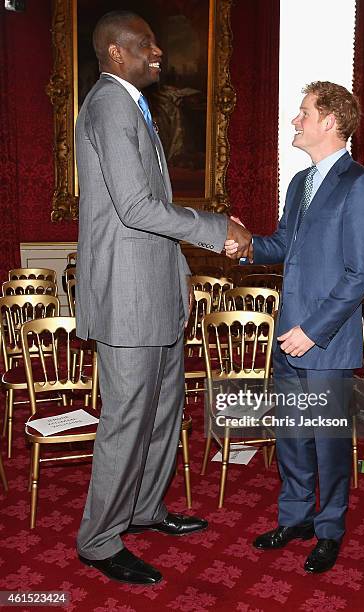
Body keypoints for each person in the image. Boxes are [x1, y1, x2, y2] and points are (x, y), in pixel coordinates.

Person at [75, 10, 250, 585]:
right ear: (114, 53)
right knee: (128, 420)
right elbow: (135, 208)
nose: (158, 53)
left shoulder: (132, 106)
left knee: (161, 414)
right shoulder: (107, 104)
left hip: (155, 292)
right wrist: (217, 226)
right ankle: (100, 540)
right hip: (127, 298)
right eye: (146, 45)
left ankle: (145, 510)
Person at [226, 81, 364, 573]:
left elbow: (362, 273)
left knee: (328, 442)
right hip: (288, 334)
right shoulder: (300, 183)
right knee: (293, 436)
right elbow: (282, 246)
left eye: (303, 113)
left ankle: (330, 527)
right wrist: (247, 244)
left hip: (326, 341)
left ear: (330, 122)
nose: (295, 121)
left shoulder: (361, 184)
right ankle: (296, 517)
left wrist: (314, 331)